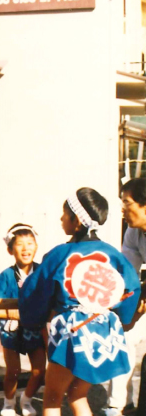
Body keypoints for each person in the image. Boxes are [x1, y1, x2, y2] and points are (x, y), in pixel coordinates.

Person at [19, 188, 141, 416]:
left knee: (52, 399)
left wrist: (32, 319)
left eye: (64, 214)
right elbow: (132, 288)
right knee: (77, 395)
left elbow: (35, 290)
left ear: (76, 220)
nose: (61, 218)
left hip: (71, 332)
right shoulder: (112, 254)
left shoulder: (59, 254)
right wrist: (123, 319)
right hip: (103, 331)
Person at [0, 224, 46, 416]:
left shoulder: (42, 272)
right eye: (20, 244)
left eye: (30, 243)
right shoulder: (6, 275)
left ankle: (27, 400)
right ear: (10, 249)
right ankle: (8, 404)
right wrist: (8, 312)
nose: (25, 248)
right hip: (11, 328)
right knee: (13, 370)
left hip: (34, 328)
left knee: (39, 371)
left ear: (36, 247)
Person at [101, 178, 146, 416]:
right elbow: (127, 273)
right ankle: (118, 405)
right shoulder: (133, 232)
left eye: (127, 203)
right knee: (124, 332)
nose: (122, 209)